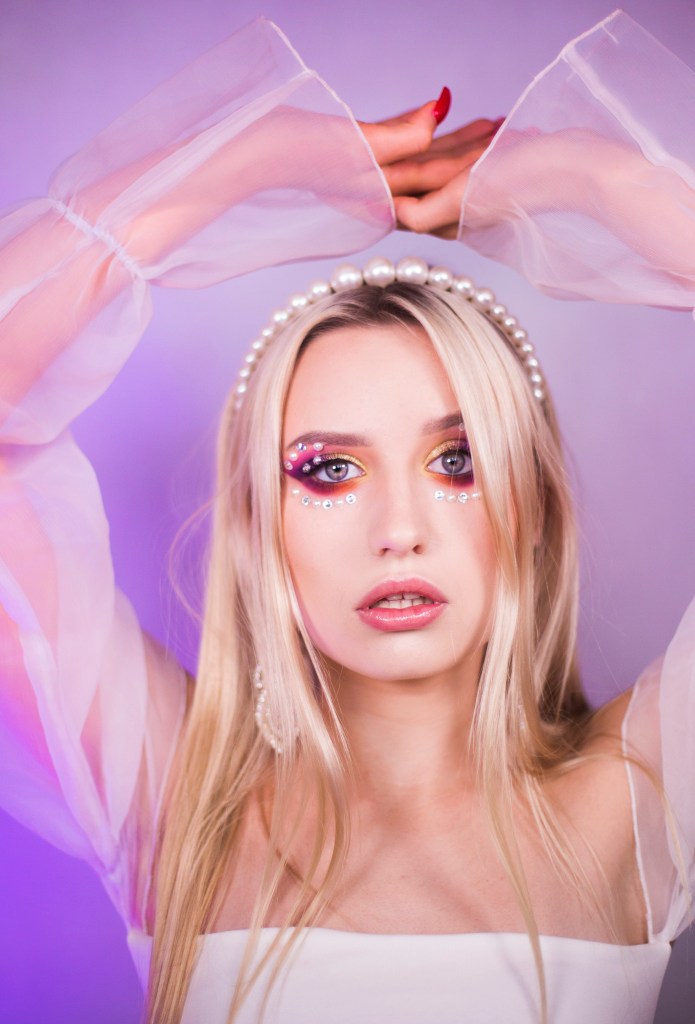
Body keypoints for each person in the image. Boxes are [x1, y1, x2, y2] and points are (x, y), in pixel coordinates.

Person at [0, 10, 693, 1024]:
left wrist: (583, 175)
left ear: (535, 507)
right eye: (329, 471)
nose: (397, 529)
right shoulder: (176, 809)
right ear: (260, 527)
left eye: (456, 462)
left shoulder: (643, 800)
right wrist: (243, 165)